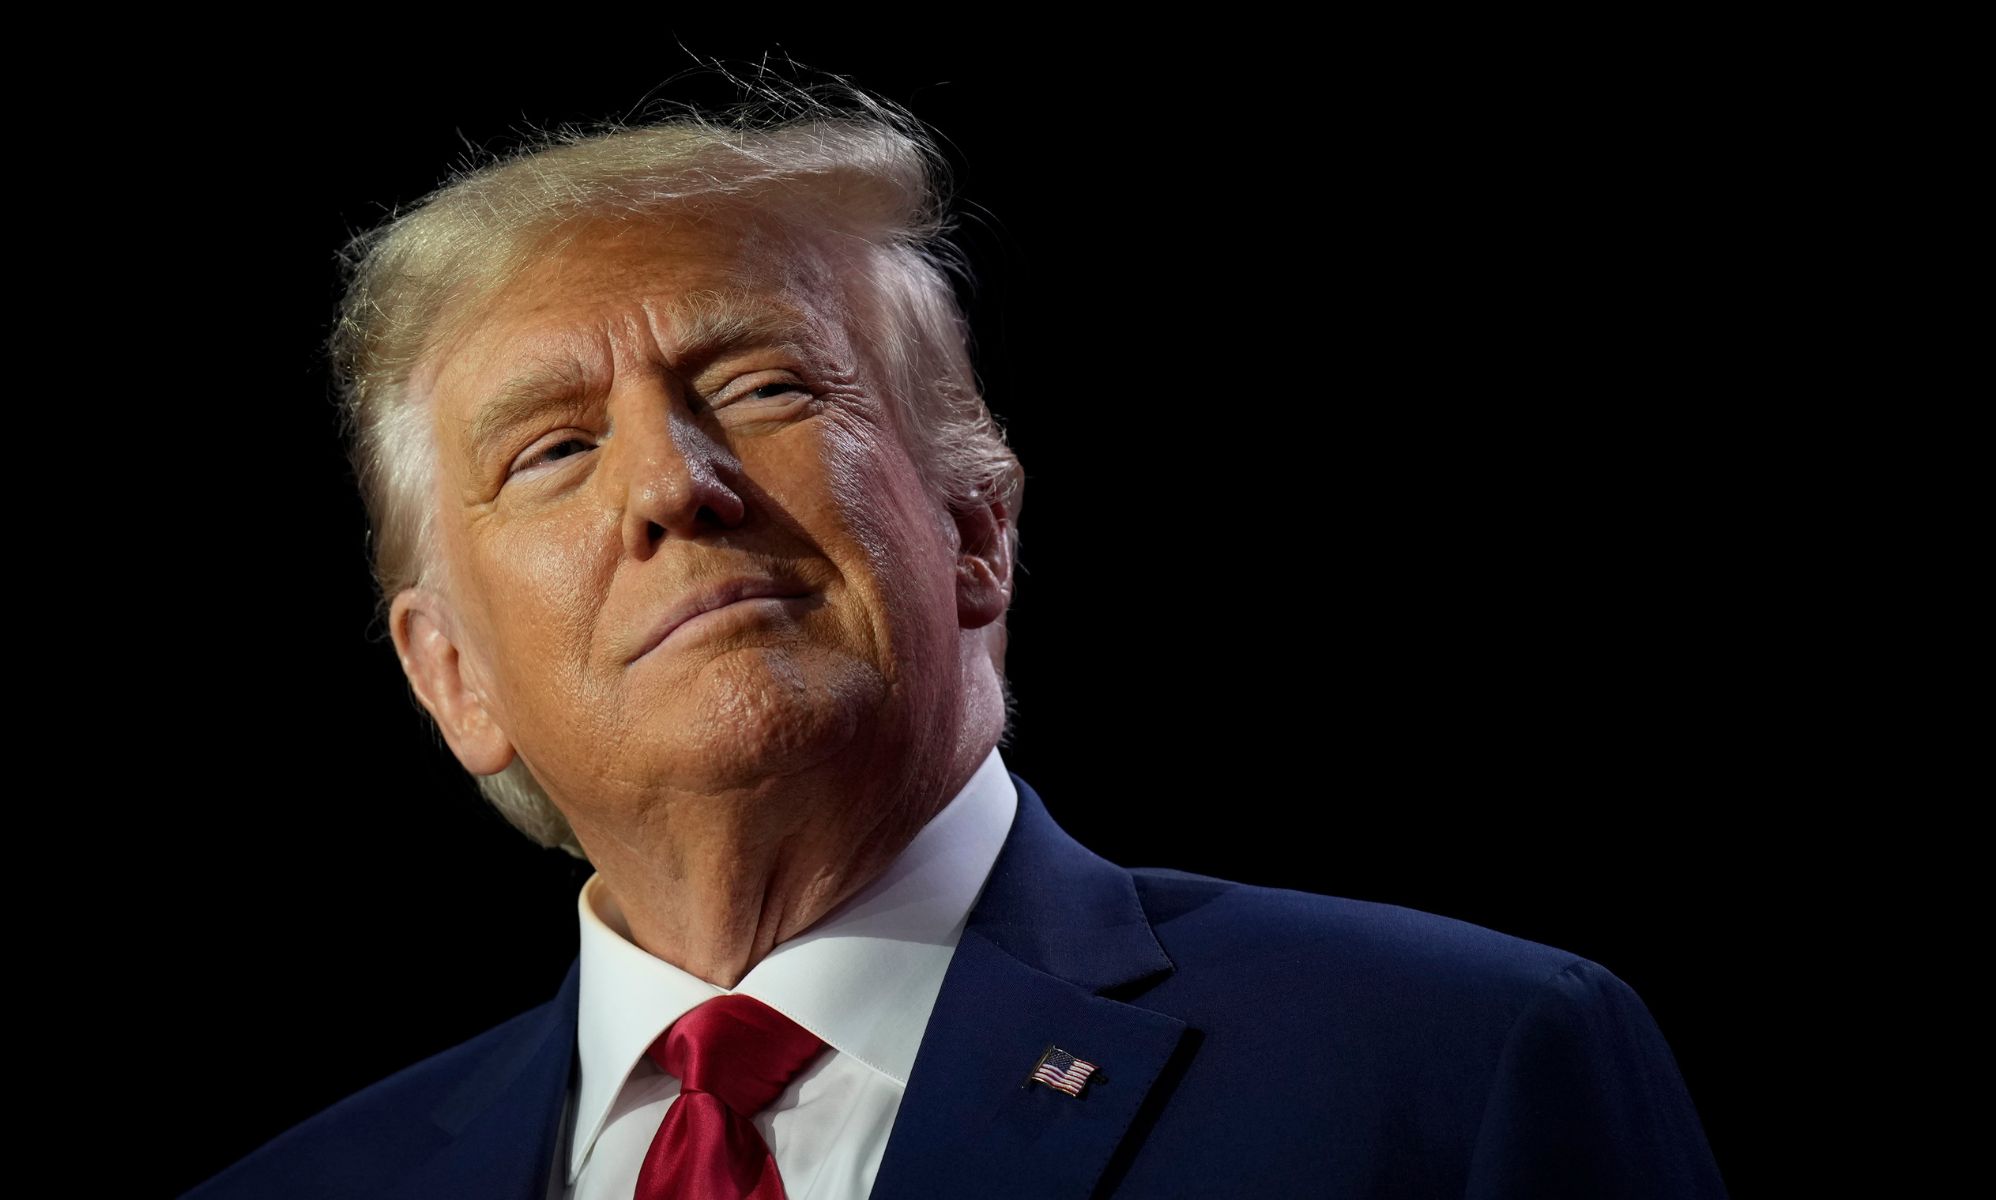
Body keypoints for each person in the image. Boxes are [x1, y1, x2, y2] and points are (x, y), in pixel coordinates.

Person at [186, 81, 1728, 1200]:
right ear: (452, 677)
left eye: (765, 385)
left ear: (976, 526)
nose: (671, 484)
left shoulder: (1457, 1070)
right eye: (554, 450)